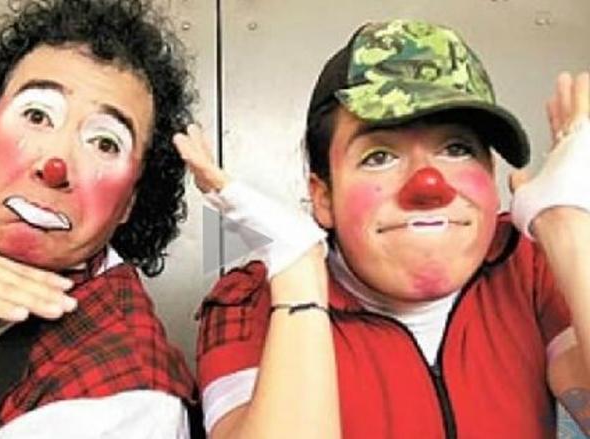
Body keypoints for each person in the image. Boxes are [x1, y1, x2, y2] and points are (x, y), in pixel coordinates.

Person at [174, 19, 590, 438]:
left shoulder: (528, 266)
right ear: (323, 197)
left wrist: (570, 232)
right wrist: (298, 280)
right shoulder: (246, 304)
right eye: (378, 157)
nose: (428, 185)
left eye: (457, 149)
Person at [0, 0, 200, 437]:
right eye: (37, 115)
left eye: (104, 143)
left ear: (129, 203)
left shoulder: (128, 398)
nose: (54, 164)